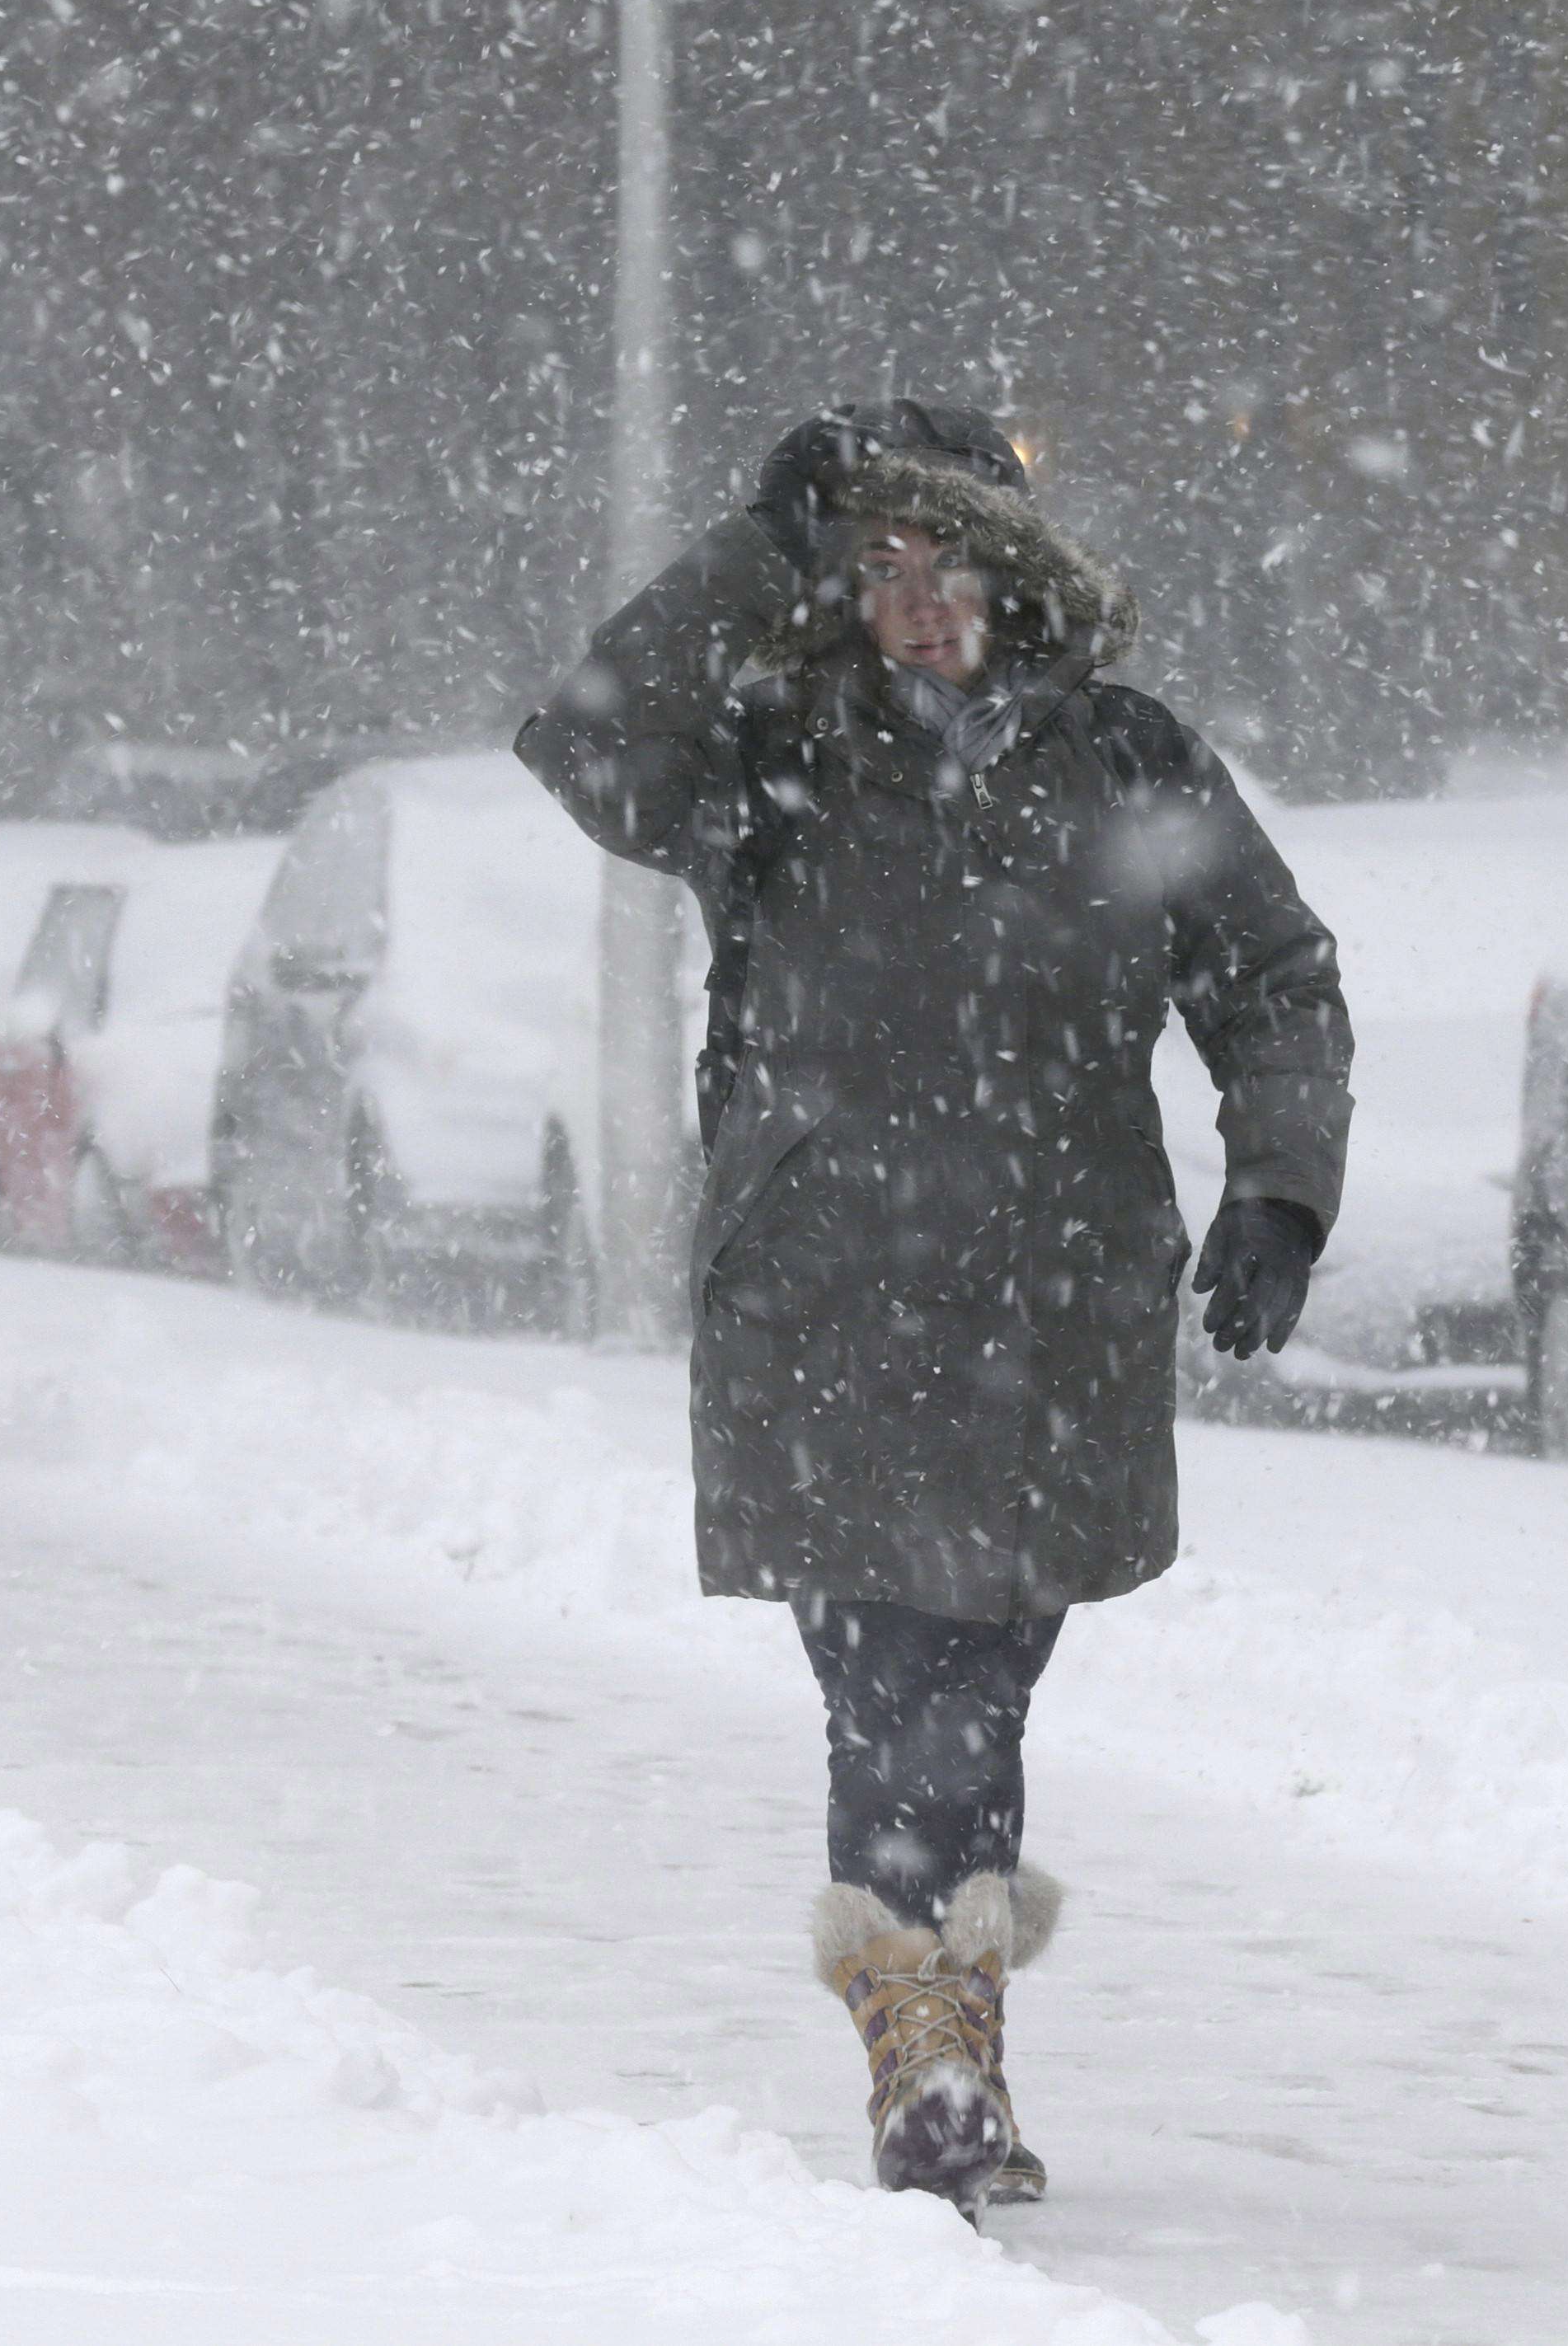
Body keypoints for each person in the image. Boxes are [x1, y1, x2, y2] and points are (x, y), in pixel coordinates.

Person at [514, 401, 1352, 2223]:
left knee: (982, 1674)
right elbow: (580, 743)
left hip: (1053, 1306)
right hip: (822, 1292)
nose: (907, 601)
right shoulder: (769, 751)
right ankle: (927, 2053)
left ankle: (944, 2030)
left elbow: (1271, 975)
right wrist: (750, 548)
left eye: (939, 561)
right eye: (872, 568)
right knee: (884, 1677)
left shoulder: (1123, 759)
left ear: (1011, 571)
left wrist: (1277, 1189)